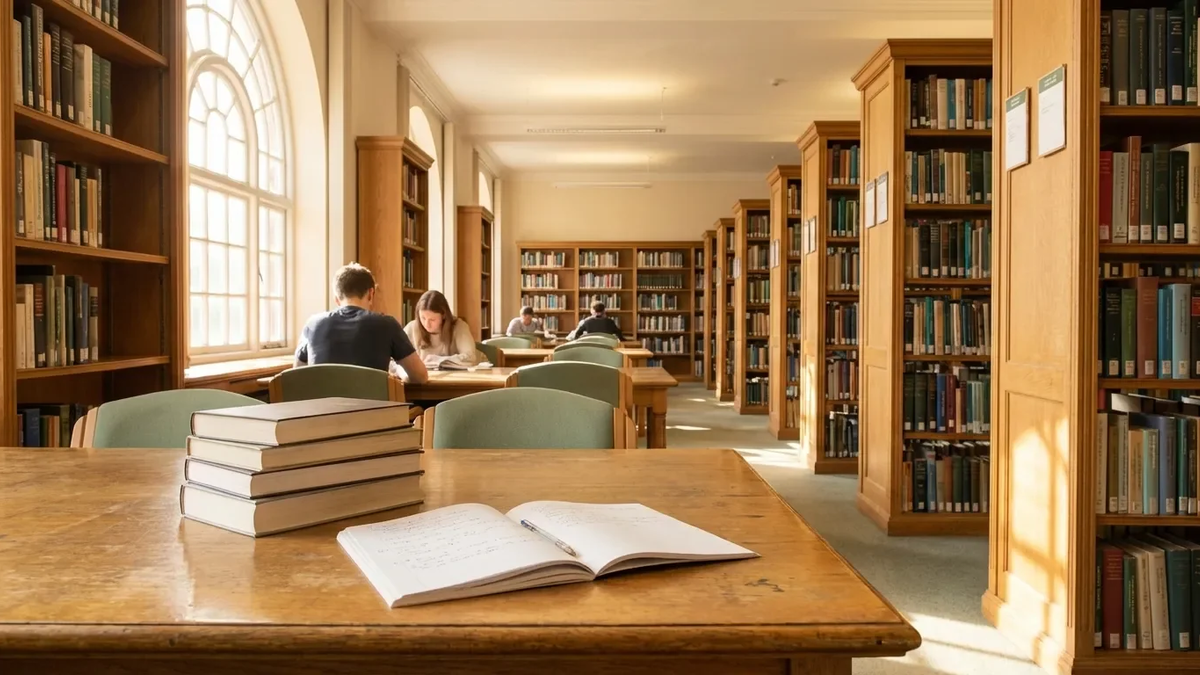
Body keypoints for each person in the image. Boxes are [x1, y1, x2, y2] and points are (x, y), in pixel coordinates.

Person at [294, 262, 428, 384]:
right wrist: (399, 372)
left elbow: (297, 374)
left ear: (336, 299)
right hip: (372, 410)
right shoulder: (386, 325)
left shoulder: (312, 324)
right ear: (371, 294)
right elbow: (420, 377)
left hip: (322, 410)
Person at [404, 290, 479, 367]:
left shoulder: (459, 326)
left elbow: (470, 357)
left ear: (443, 315)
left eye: (432, 320)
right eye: (423, 318)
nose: (427, 324)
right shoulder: (411, 328)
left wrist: (438, 360)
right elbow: (394, 358)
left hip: (454, 377)